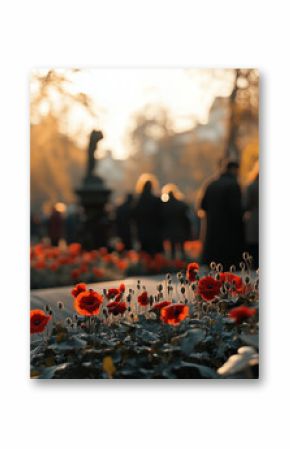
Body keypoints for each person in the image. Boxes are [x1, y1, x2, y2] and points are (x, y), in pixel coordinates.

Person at [199, 160, 244, 270]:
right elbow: (236, 209)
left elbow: (202, 205)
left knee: (214, 260)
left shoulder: (211, 184)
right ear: (233, 169)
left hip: (212, 228)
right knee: (227, 262)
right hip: (228, 229)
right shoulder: (233, 184)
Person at [133, 173, 163, 255]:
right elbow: (161, 217)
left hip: (142, 232)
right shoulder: (156, 201)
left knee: (145, 255)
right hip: (155, 233)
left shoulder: (138, 202)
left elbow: (134, 217)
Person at [161, 184, 191, 259]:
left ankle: (173, 265)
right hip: (181, 230)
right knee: (182, 249)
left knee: (172, 250)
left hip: (170, 231)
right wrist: (188, 230)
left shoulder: (165, 206)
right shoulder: (182, 205)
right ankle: (184, 264)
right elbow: (187, 219)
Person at [244, 161, 259, 269]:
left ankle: (255, 267)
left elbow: (246, 204)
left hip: (255, 218)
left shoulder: (252, 186)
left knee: (255, 246)